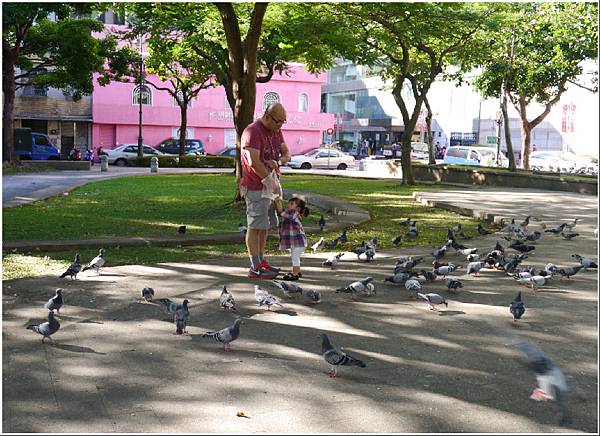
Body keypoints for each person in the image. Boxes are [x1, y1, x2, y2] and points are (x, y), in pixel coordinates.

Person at [240, 102, 291, 279]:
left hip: (270, 188)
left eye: (283, 122)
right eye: (278, 122)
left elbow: (287, 153)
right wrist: (269, 181)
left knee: (264, 226)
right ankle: (255, 267)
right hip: (256, 187)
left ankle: (262, 261)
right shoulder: (252, 132)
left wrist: (279, 162)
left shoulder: (276, 131)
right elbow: (254, 162)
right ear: (267, 116)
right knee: (254, 226)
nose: (280, 126)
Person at [274, 196, 309, 281]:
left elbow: (282, 213)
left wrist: (278, 202)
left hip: (298, 241)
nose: (288, 205)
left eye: (292, 204)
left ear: (298, 208)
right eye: (289, 203)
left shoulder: (294, 213)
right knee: (295, 256)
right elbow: (281, 212)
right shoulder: (291, 213)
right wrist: (277, 202)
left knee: (295, 257)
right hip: (296, 242)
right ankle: (297, 271)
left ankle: (295, 274)